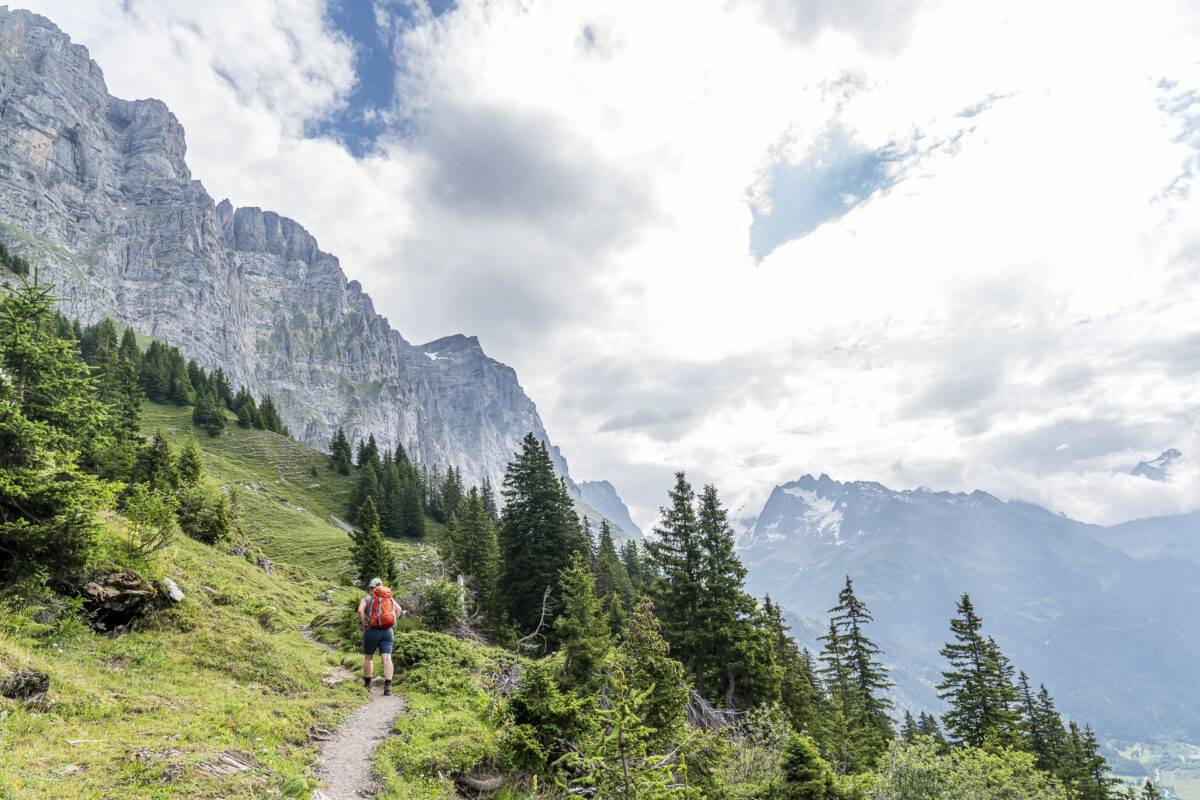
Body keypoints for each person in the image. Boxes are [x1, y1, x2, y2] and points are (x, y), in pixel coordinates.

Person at [358, 577, 402, 695]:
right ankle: (387, 686)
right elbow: (399, 610)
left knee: (369, 658)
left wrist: (364, 624)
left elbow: (360, 611)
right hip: (387, 631)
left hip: (372, 630)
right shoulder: (389, 597)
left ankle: (368, 684)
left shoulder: (367, 598)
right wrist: (391, 623)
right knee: (387, 658)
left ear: (371, 588)